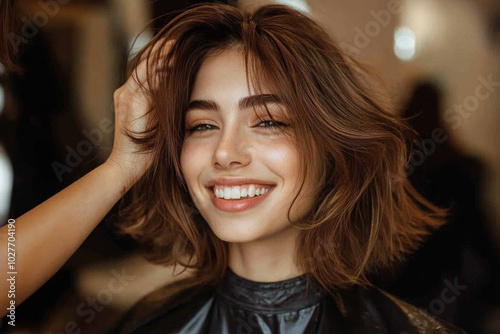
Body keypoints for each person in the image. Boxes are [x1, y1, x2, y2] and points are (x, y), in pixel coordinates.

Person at [0, 3, 467, 333]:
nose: (225, 152)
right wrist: (120, 166)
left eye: (267, 121)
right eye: (201, 125)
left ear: (333, 147)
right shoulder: (143, 323)